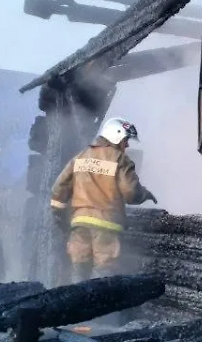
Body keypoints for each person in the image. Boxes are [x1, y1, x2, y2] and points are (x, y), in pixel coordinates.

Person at [49, 117, 156, 284]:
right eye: (125, 140)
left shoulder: (80, 157)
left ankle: (77, 307)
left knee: (79, 273)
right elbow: (130, 193)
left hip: (79, 225)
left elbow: (58, 191)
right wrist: (145, 194)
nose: (127, 145)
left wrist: (61, 219)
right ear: (116, 136)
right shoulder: (120, 159)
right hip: (106, 226)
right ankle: (105, 311)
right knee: (104, 274)